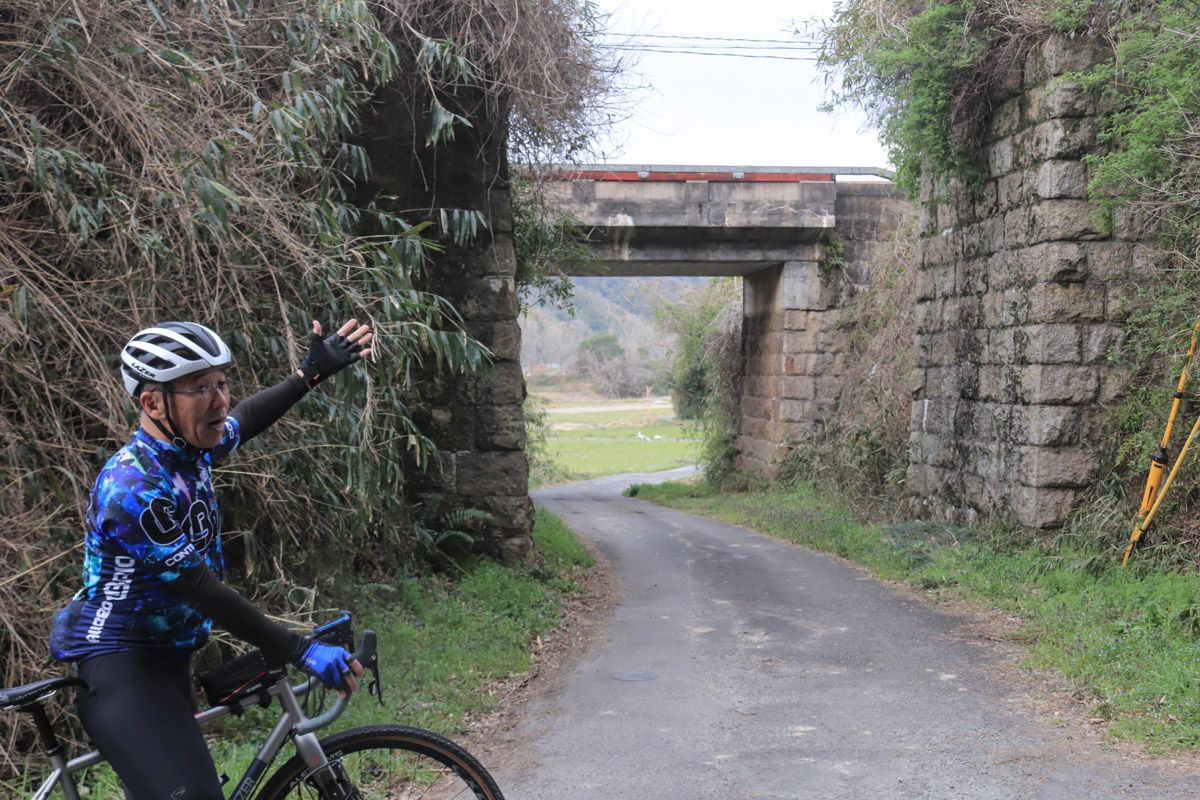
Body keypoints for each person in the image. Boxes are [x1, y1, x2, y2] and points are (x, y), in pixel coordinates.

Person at [48, 318, 374, 800]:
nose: (219, 400)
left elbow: (247, 416)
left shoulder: (188, 448)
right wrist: (301, 650)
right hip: (121, 664)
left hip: (168, 658)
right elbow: (200, 589)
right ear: (153, 402)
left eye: (221, 383)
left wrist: (310, 375)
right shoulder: (131, 485)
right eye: (201, 388)